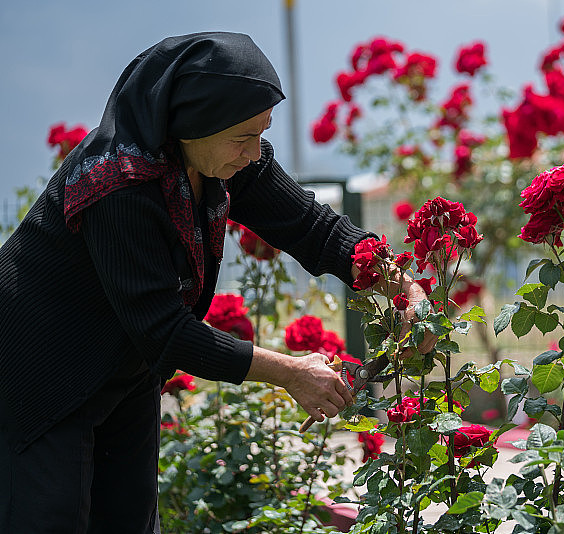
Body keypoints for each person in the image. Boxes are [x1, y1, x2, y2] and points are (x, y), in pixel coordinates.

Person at [0, 32, 430, 533]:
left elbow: (314, 229)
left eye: (261, 132)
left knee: (129, 520)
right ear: (189, 124)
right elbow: (164, 329)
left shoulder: (226, 160)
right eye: (242, 137)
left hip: (123, 364)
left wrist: (401, 288)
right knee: (51, 519)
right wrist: (291, 373)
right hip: (41, 375)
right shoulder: (117, 186)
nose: (254, 152)